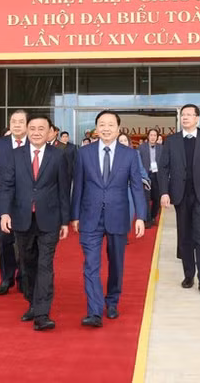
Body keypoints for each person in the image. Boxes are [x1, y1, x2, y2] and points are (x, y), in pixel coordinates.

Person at [72, 110, 147, 327]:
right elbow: (78, 186)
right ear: (96, 128)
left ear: (118, 128)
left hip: (118, 215)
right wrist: (74, 215)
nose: (106, 128)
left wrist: (140, 216)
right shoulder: (84, 153)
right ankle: (94, 311)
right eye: (102, 124)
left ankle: (112, 301)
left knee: (116, 263)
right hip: (89, 216)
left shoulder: (130, 154)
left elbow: (136, 187)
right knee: (91, 265)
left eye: (110, 124)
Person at [0, 114, 70, 331]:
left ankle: (42, 314)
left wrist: (65, 221)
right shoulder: (15, 155)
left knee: (45, 265)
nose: (37, 132)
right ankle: (32, 302)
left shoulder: (58, 156)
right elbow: (6, 186)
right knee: (27, 266)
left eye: (41, 129)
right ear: (27, 130)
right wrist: (4, 213)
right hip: (22, 218)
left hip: (49, 219)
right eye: (33, 128)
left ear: (50, 132)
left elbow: (64, 190)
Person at [158, 104, 200, 293]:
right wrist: (164, 192)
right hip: (180, 195)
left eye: (189, 115)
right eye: (182, 115)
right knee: (184, 236)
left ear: (197, 118)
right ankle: (188, 275)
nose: (185, 117)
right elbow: (164, 168)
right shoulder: (172, 141)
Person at [0, 110, 28, 296]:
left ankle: (23, 276)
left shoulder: (33, 143)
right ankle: (7, 276)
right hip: (4, 199)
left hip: (27, 200)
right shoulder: (0, 144)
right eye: (14, 121)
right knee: (4, 238)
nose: (17, 125)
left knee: (24, 240)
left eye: (21, 121)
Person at [137, 129, 163, 228]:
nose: (153, 137)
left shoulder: (161, 148)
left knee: (157, 198)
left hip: (157, 176)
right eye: (151, 135)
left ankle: (153, 216)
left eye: (154, 135)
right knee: (146, 198)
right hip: (146, 176)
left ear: (157, 137)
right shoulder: (141, 148)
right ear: (148, 136)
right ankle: (147, 219)